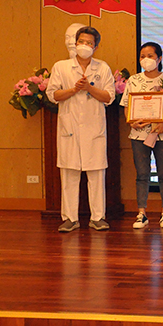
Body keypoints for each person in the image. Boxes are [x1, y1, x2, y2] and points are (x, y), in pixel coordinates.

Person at [46, 26, 115, 233]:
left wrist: (89, 88)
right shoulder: (61, 67)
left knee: (96, 175)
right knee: (69, 174)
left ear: (95, 47)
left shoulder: (102, 67)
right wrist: (74, 89)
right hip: (70, 128)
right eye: (81, 42)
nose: (84, 46)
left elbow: (109, 97)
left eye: (89, 43)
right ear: (75, 44)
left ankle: (98, 217)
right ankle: (70, 218)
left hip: (94, 129)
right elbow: (52, 95)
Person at [120, 42, 163, 229]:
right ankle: (141, 213)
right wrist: (130, 121)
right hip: (139, 134)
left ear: (160, 58)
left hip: (162, 134)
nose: (146, 59)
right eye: (143, 56)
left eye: (150, 56)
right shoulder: (133, 80)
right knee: (142, 174)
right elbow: (127, 105)